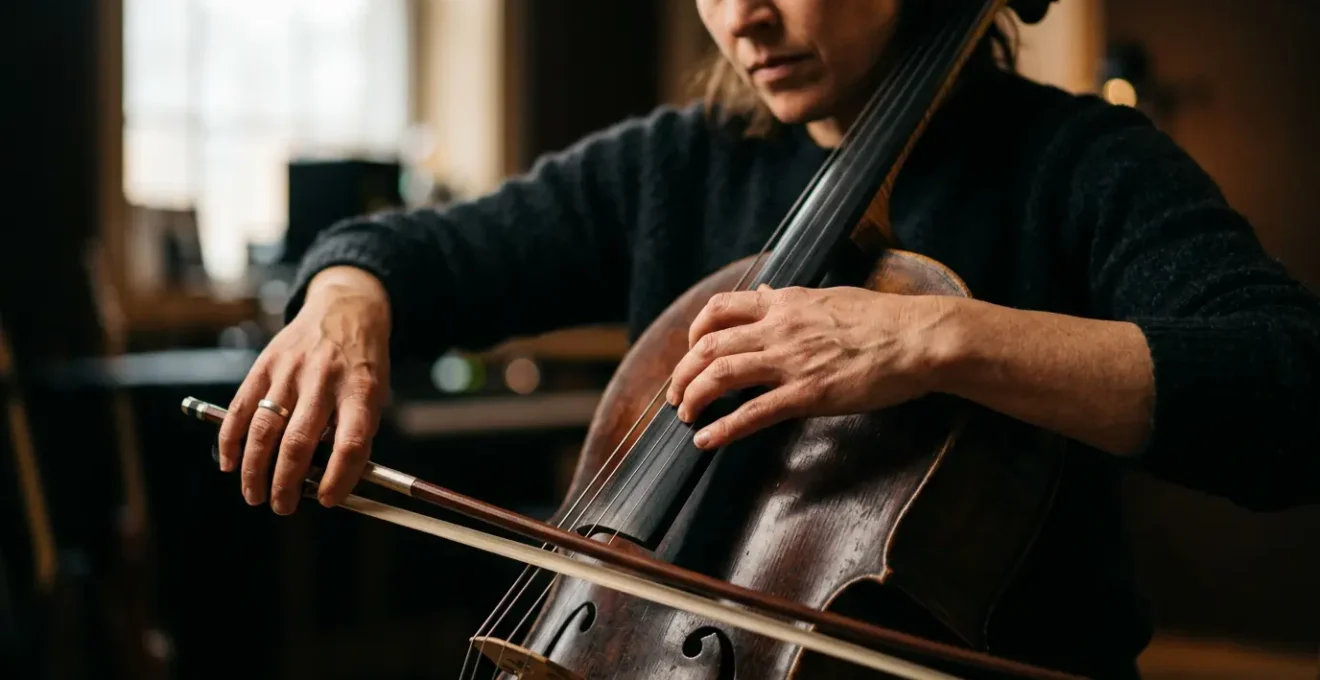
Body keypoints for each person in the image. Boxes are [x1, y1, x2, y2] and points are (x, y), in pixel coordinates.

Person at [217, 0, 1320, 677]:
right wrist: (346, 299)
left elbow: (1289, 385)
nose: (741, 16)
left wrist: (941, 337)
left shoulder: (1079, 167)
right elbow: (417, 250)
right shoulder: (677, 165)